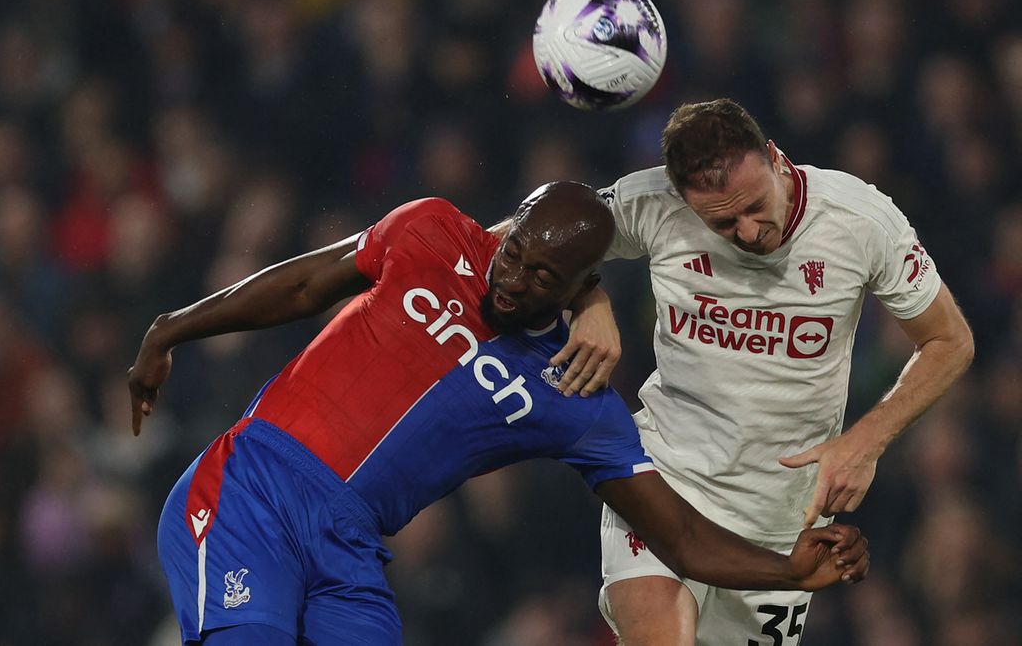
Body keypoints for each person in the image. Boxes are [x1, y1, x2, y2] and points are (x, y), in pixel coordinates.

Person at [128, 182, 869, 645]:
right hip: (251, 489)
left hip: (347, 544)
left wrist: (787, 571)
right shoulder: (429, 230)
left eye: (543, 277)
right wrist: (173, 327)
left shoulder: (575, 395)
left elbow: (676, 535)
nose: (510, 278)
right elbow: (302, 288)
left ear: (581, 284)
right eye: (514, 253)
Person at [550, 100, 974, 645]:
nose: (748, 232)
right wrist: (586, 294)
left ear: (775, 159)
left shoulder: (859, 221)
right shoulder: (652, 203)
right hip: (667, 481)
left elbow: (950, 340)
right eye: (722, 222)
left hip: (781, 527)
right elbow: (518, 242)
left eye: (754, 207)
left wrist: (867, 440)